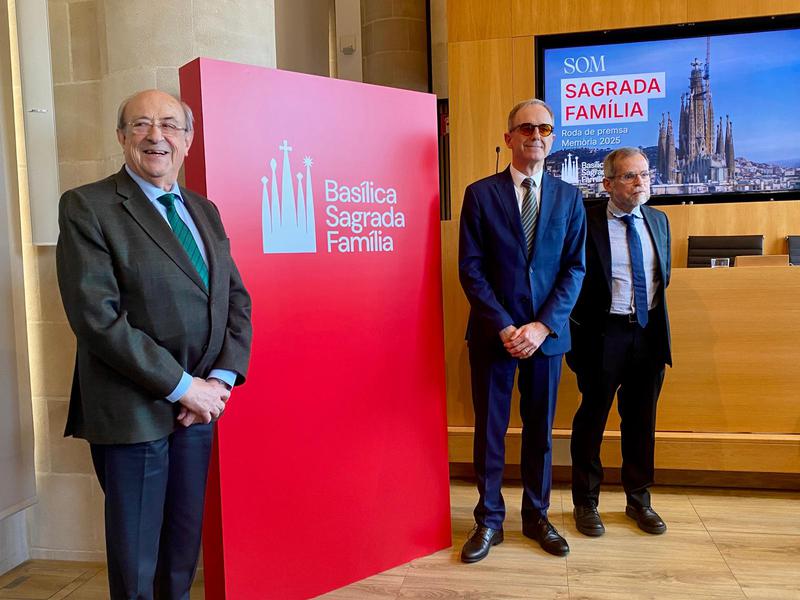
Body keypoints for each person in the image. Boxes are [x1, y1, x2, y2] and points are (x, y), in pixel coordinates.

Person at [56, 89, 252, 600]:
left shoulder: (204, 210)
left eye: (169, 124)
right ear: (122, 138)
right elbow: (97, 319)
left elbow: (236, 301)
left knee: (181, 552)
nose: (155, 136)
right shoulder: (87, 206)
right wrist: (184, 387)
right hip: (133, 412)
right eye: (140, 124)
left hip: (199, 411)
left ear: (188, 140)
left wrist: (218, 383)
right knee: (137, 563)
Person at [458, 99, 586, 561]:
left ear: (553, 138)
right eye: (526, 127)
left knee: (540, 433)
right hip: (495, 337)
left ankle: (537, 516)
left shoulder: (570, 198)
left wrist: (541, 327)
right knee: (490, 431)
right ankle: (489, 519)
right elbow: (470, 270)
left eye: (545, 128)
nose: (536, 134)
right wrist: (507, 327)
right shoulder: (479, 194)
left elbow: (574, 269)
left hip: (546, 340)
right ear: (509, 137)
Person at [567, 147, 671, 537]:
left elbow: (664, 279)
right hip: (601, 336)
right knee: (591, 420)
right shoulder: (586, 221)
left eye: (644, 174)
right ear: (608, 183)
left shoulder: (659, 221)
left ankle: (639, 500)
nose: (640, 182)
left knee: (642, 420)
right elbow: (572, 278)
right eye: (630, 176)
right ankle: (585, 503)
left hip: (647, 335)